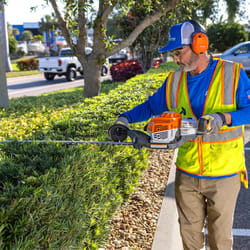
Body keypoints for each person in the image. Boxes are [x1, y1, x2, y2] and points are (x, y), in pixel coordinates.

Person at [109, 20, 250, 249]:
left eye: (179, 52)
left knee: (220, 239)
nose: (175, 59)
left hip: (225, 173)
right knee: (190, 239)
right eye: (173, 54)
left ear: (199, 43)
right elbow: (151, 107)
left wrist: (223, 118)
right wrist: (125, 119)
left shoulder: (232, 73)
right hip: (187, 173)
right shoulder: (174, 80)